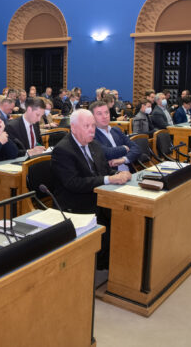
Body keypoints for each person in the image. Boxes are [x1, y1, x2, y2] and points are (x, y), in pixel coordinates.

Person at [51, 109, 131, 270]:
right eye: (86, 126)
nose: (91, 130)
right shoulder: (63, 150)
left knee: (127, 218)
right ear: (73, 128)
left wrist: (119, 173)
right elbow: (73, 183)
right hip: (75, 202)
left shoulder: (94, 144)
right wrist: (109, 179)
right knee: (115, 221)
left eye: (93, 126)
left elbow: (104, 171)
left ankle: (118, 263)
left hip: (98, 195)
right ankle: (101, 265)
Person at [90, 101, 140, 171]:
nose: (104, 116)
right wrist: (124, 148)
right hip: (112, 176)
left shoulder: (116, 130)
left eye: (106, 112)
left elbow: (136, 148)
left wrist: (123, 159)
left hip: (130, 171)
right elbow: (106, 153)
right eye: (99, 114)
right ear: (92, 117)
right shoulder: (91, 135)